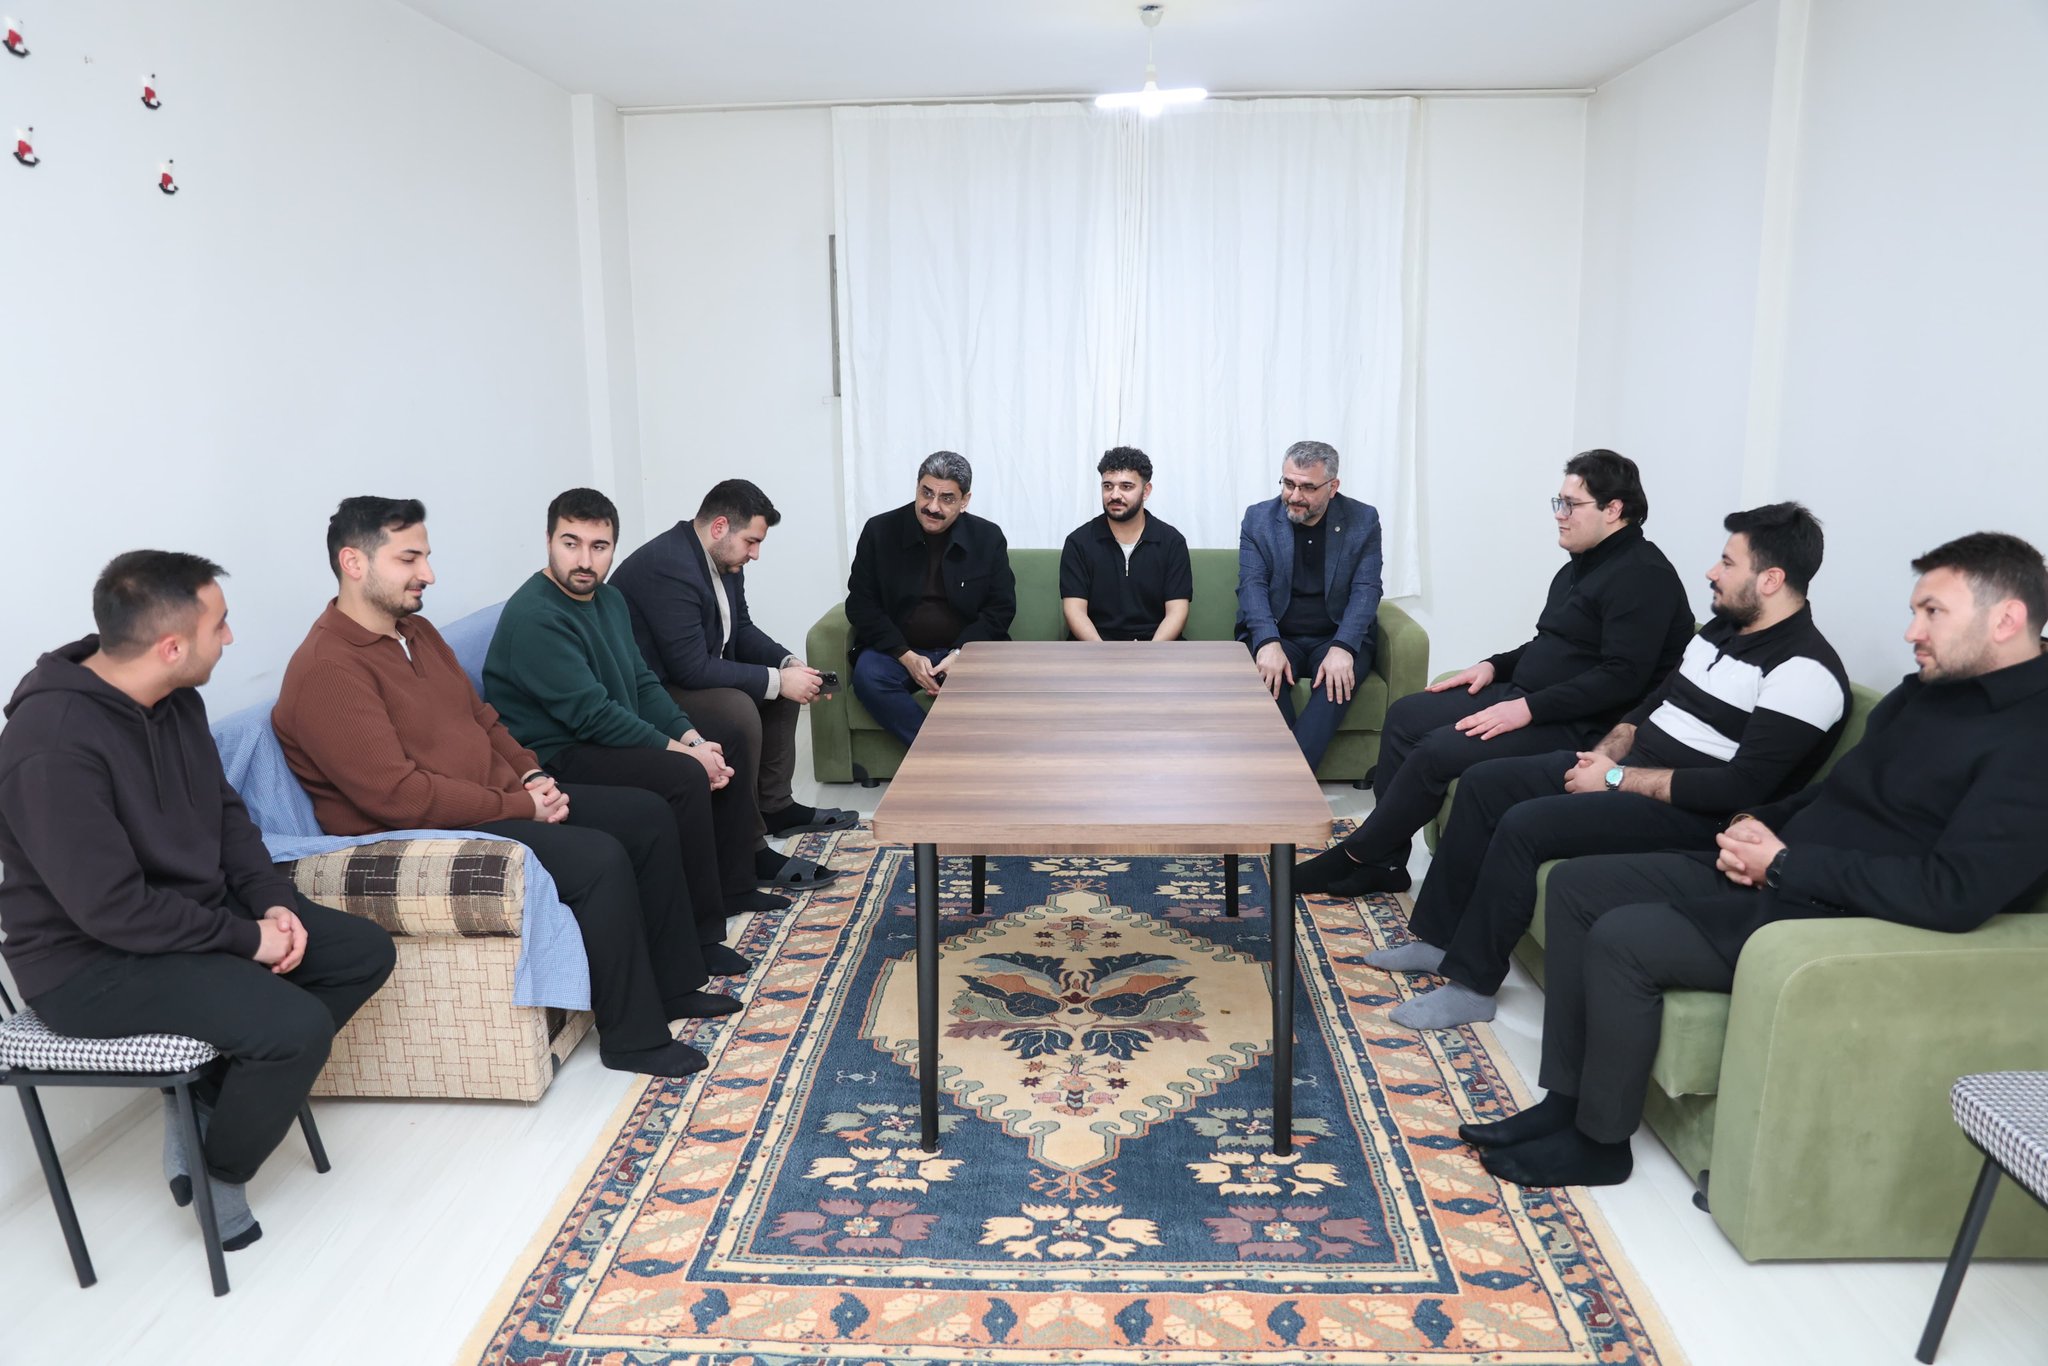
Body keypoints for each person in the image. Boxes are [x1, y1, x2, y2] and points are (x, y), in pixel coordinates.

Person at [1466, 532, 2048, 1189]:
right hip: (1783, 871)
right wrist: (1756, 824)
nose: (1912, 631)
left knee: (1623, 938)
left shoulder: (2034, 739)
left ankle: (1600, 1145)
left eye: (1932, 612)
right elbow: (1838, 791)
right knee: (1575, 888)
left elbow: (1953, 892)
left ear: (2007, 619)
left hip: (1836, 917)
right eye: (1915, 610)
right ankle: (1566, 1105)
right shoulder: (1925, 691)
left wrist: (1783, 865)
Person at [0, 551, 396, 1252]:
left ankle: (207, 1104)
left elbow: (225, 815)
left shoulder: (175, 698)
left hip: (188, 922)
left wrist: (271, 904)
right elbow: (113, 911)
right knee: (294, 1029)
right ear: (171, 646)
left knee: (361, 952)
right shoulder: (50, 746)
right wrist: (248, 941)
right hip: (88, 965)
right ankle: (221, 1172)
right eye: (220, 625)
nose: (231, 638)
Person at [273, 497, 736, 1082]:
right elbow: (400, 798)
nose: (428, 574)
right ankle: (633, 1039)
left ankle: (672, 985)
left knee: (646, 816)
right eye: (409, 559)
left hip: (492, 798)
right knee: (597, 859)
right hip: (426, 829)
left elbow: (483, 718)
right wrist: (522, 806)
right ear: (354, 563)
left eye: (426, 556)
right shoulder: (328, 669)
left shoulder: (415, 632)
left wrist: (531, 774)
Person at [1374, 504, 1850, 1029]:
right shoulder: (1719, 631)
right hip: (1632, 770)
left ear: (1771, 579)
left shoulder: (1806, 673)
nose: (1712, 571)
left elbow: (1742, 787)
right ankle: (1439, 940)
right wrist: (1606, 755)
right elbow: (1652, 706)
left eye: (1728, 562)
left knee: (1526, 824)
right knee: (1485, 784)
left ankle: (1473, 987)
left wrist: (1616, 780)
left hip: (1697, 813)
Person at [1295, 449, 1691, 893]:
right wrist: (1493, 665)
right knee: (1407, 715)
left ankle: (1356, 854)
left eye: (1570, 504)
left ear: (1613, 509)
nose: (1559, 515)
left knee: (1437, 750)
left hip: (1580, 722)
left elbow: (1622, 679)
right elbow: (1552, 644)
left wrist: (1526, 709)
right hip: (1531, 696)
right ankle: (1386, 864)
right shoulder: (1582, 567)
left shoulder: (1643, 576)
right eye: (1558, 502)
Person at [610, 479, 856, 880]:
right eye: (751, 542)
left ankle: (775, 807)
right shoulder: (668, 566)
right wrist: (777, 680)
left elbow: (741, 629)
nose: (755, 554)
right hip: (649, 691)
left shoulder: (725, 561)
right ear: (720, 527)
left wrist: (787, 663)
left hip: (683, 676)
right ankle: (748, 849)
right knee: (739, 708)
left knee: (780, 686)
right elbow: (691, 668)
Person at [845, 451, 1016, 746]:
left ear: (965, 500)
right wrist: (905, 655)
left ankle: (949, 754)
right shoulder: (880, 531)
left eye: (947, 498)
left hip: (967, 651)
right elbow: (861, 603)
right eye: (926, 493)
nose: (932, 507)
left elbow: (1000, 608)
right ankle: (939, 750)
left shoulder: (988, 537)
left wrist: (960, 654)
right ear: (916, 487)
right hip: (899, 652)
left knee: (1007, 679)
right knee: (869, 676)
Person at [1235, 440, 1383, 769]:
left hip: (1335, 635)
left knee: (1336, 684)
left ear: (1333, 487)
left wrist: (1344, 646)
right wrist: (1268, 642)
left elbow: (1367, 588)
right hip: (1278, 633)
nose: (1295, 495)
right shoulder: (1258, 519)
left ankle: (1281, 782)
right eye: (1288, 483)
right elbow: (1252, 586)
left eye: (1307, 487)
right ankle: (1292, 786)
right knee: (1264, 679)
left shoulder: (1363, 520)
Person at [1059, 447, 1194, 642]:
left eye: (1126, 487)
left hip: (1158, 647)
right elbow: (1074, 611)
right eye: (1108, 486)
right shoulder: (1079, 542)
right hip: (1094, 648)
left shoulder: (1171, 542)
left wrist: (1152, 653)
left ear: (1146, 491)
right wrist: (1102, 653)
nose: (1115, 495)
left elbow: (1177, 612)